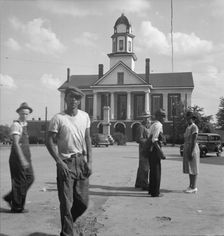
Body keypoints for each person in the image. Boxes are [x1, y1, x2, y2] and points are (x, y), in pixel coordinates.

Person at [46, 85, 92, 236]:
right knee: (66, 204)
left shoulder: (84, 116)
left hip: (81, 162)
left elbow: (88, 138)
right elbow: (49, 141)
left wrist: (89, 161)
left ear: (80, 101)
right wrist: (59, 162)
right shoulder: (58, 118)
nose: (74, 100)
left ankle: (68, 225)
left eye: (77, 98)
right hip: (65, 163)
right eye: (71, 96)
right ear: (65, 98)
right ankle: (67, 233)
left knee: (83, 203)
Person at [3, 102, 34, 213]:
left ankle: (11, 197)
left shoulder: (25, 125)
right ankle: (17, 207)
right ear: (18, 113)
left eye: (26, 114)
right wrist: (22, 159)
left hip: (26, 158)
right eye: (22, 113)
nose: (24, 115)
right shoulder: (16, 125)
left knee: (30, 178)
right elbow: (16, 144)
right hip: (18, 158)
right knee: (19, 181)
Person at [147, 109, 166, 197]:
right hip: (155, 150)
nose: (164, 118)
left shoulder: (153, 124)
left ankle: (151, 190)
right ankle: (155, 192)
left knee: (153, 171)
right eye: (162, 115)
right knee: (156, 171)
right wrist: (161, 152)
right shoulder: (158, 125)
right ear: (158, 116)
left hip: (151, 151)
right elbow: (154, 140)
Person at [183, 110, 199, 193]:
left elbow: (194, 140)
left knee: (194, 168)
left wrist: (192, 151)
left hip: (192, 148)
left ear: (193, 119)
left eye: (190, 118)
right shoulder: (187, 127)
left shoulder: (194, 127)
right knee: (190, 168)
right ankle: (190, 185)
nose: (188, 120)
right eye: (187, 118)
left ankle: (194, 186)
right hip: (187, 147)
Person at [135, 112, 151, 190]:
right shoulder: (141, 127)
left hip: (146, 149)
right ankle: (144, 184)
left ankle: (138, 183)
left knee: (142, 166)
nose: (148, 119)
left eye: (148, 117)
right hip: (143, 149)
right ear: (143, 119)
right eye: (146, 118)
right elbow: (138, 139)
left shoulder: (147, 127)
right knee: (145, 167)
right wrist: (148, 141)